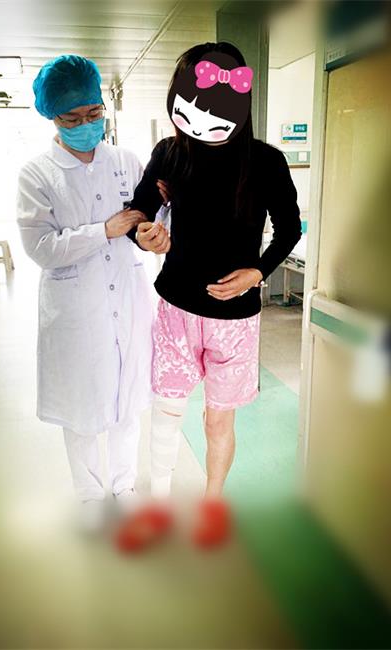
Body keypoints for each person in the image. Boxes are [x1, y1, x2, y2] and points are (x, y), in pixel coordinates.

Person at [116, 42, 302, 550]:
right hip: (175, 307)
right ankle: (157, 507)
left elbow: (289, 228)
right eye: (187, 110)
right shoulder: (170, 153)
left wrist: (258, 272)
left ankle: (212, 503)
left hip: (235, 318)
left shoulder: (266, 161)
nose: (197, 124)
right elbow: (139, 211)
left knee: (218, 419)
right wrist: (144, 234)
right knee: (166, 412)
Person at [16, 54, 154, 528]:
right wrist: (104, 230)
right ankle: (91, 495)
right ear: (52, 118)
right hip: (76, 308)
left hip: (127, 299)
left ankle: (125, 485)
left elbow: (148, 219)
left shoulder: (126, 161)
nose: (86, 125)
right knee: (82, 408)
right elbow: (40, 247)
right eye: (72, 119)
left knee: (127, 400)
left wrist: (153, 233)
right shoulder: (37, 175)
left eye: (94, 113)